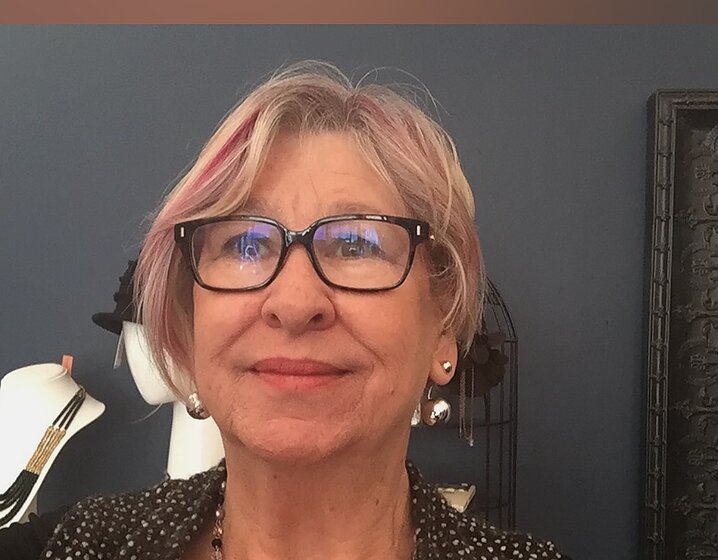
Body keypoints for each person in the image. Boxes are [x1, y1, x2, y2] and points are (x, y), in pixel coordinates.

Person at [7, 61, 568, 560]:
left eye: (358, 245)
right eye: (244, 244)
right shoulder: (71, 547)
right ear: (192, 320)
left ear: (442, 324)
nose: (295, 304)